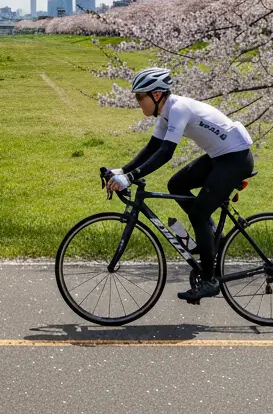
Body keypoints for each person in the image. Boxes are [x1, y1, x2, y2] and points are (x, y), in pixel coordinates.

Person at [106, 66, 254, 302]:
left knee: (198, 214)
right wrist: (122, 171)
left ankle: (209, 281)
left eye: (139, 97)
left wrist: (131, 178)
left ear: (155, 95)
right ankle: (213, 235)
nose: (138, 102)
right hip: (220, 157)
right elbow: (153, 147)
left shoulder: (178, 108)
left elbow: (166, 152)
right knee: (176, 184)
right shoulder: (166, 112)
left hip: (235, 159)